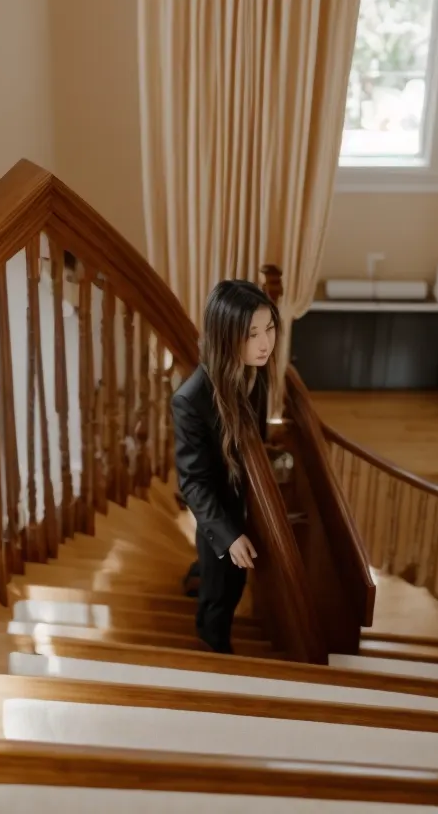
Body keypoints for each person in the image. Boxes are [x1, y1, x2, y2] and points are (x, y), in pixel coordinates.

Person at [172, 278, 279, 654]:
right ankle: (214, 649)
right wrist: (227, 534)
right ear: (226, 336)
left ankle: (197, 572)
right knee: (223, 592)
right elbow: (194, 482)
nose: (265, 343)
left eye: (269, 329)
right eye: (252, 334)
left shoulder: (256, 370)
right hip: (217, 507)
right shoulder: (191, 400)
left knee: (219, 573)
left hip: (242, 494)